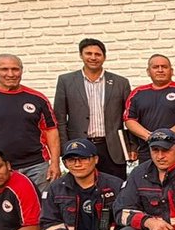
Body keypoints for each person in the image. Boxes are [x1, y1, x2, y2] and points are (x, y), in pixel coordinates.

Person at [0, 54, 60, 191]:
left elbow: (51, 131)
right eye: (4, 69)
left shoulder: (38, 98)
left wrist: (55, 163)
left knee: (40, 204)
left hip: (36, 167)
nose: (11, 74)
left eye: (15, 69)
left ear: (21, 70)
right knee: (1, 204)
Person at [53, 38, 133, 181]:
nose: (93, 57)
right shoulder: (66, 81)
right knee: (82, 187)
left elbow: (130, 117)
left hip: (112, 148)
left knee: (116, 186)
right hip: (79, 145)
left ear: (104, 57)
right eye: (88, 53)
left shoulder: (120, 83)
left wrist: (132, 147)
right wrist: (65, 148)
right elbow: (60, 119)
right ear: (81, 55)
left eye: (98, 54)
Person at [123, 54, 175, 162]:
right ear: (148, 71)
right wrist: (150, 137)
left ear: (171, 71)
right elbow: (129, 120)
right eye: (155, 67)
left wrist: (166, 135)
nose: (160, 70)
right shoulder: (137, 93)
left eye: (164, 67)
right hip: (147, 151)